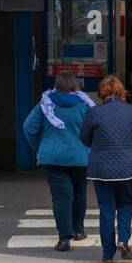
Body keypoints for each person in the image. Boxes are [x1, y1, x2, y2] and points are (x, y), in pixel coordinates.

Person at [23, 72, 93, 251]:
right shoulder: (84, 105)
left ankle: (64, 238)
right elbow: (94, 128)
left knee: (61, 197)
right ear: (75, 85)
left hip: (53, 158)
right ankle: (78, 230)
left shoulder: (45, 103)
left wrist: (40, 147)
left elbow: (29, 127)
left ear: (57, 85)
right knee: (79, 194)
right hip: (80, 157)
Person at [79, 74, 132, 263]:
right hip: (127, 167)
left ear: (101, 92)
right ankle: (123, 239)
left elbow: (84, 137)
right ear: (121, 91)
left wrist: (98, 145)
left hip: (101, 169)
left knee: (106, 209)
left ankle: (107, 253)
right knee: (125, 204)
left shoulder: (94, 113)